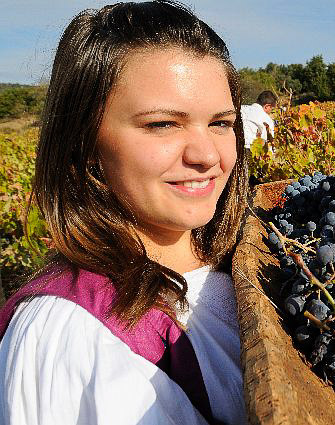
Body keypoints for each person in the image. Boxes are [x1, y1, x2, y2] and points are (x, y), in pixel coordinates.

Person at [0, 2, 248, 424]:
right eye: (162, 124)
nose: (208, 155)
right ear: (85, 147)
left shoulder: (250, 262)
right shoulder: (73, 338)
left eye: (221, 123)